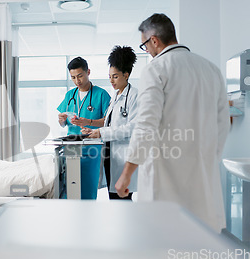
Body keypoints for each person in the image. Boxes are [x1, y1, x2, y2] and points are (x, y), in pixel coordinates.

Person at [115, 14, 230, 233]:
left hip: (165, 181)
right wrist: (208, 159)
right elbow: (223, 124)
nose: (146, 50)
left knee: (165, 243)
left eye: (144, 45)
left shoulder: (156, 69)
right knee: (200, 245)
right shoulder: (211, 70)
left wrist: (127, 173)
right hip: (202, 180)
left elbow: (146, 124)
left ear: (154, 40)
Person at [81, 46, 138, 200]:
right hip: (110, 155)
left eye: (115, 76)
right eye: (110, 76)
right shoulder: (116, 96)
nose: (111, 81)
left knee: (122, 201)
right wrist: (93, 131)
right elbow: (110, 124)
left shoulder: (134, 96)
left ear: (126, 75)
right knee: (115, 200)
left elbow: (132, 128)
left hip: (123, 157)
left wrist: (102, 132)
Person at [57, 57, 111, 199]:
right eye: (73, 77)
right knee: (69, 185)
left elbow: (108, 121)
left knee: (88, 185)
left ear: (88, 72)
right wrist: (61, 120)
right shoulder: (70, 95)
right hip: (72, 144)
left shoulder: (101, 94)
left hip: (92, 145)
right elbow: (63, 123)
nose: (77, 81)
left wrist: (89, 121)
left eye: (80, 76)